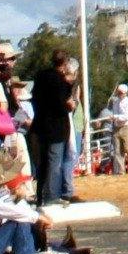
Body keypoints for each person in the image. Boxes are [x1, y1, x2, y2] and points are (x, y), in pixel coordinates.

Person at [29, 51, 80, 204]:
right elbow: (67, 105)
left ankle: (41, 195)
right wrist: (72, 103)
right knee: (54, 162)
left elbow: (34, 98)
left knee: (43, 163)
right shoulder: (61, 82)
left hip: (39, 125)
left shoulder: (40, 77)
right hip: (56, 127)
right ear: (64, 65)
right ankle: (52, 196)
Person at [106, 83, 128, 174]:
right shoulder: (115, 103)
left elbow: (127, 117)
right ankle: (120, 171)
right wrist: (114, 119)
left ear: (125, 93)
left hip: (127, 127)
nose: (120, 94)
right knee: (117, 151)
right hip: (117, 127)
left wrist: (115, 117)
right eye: (119, 92)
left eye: (121, 92)